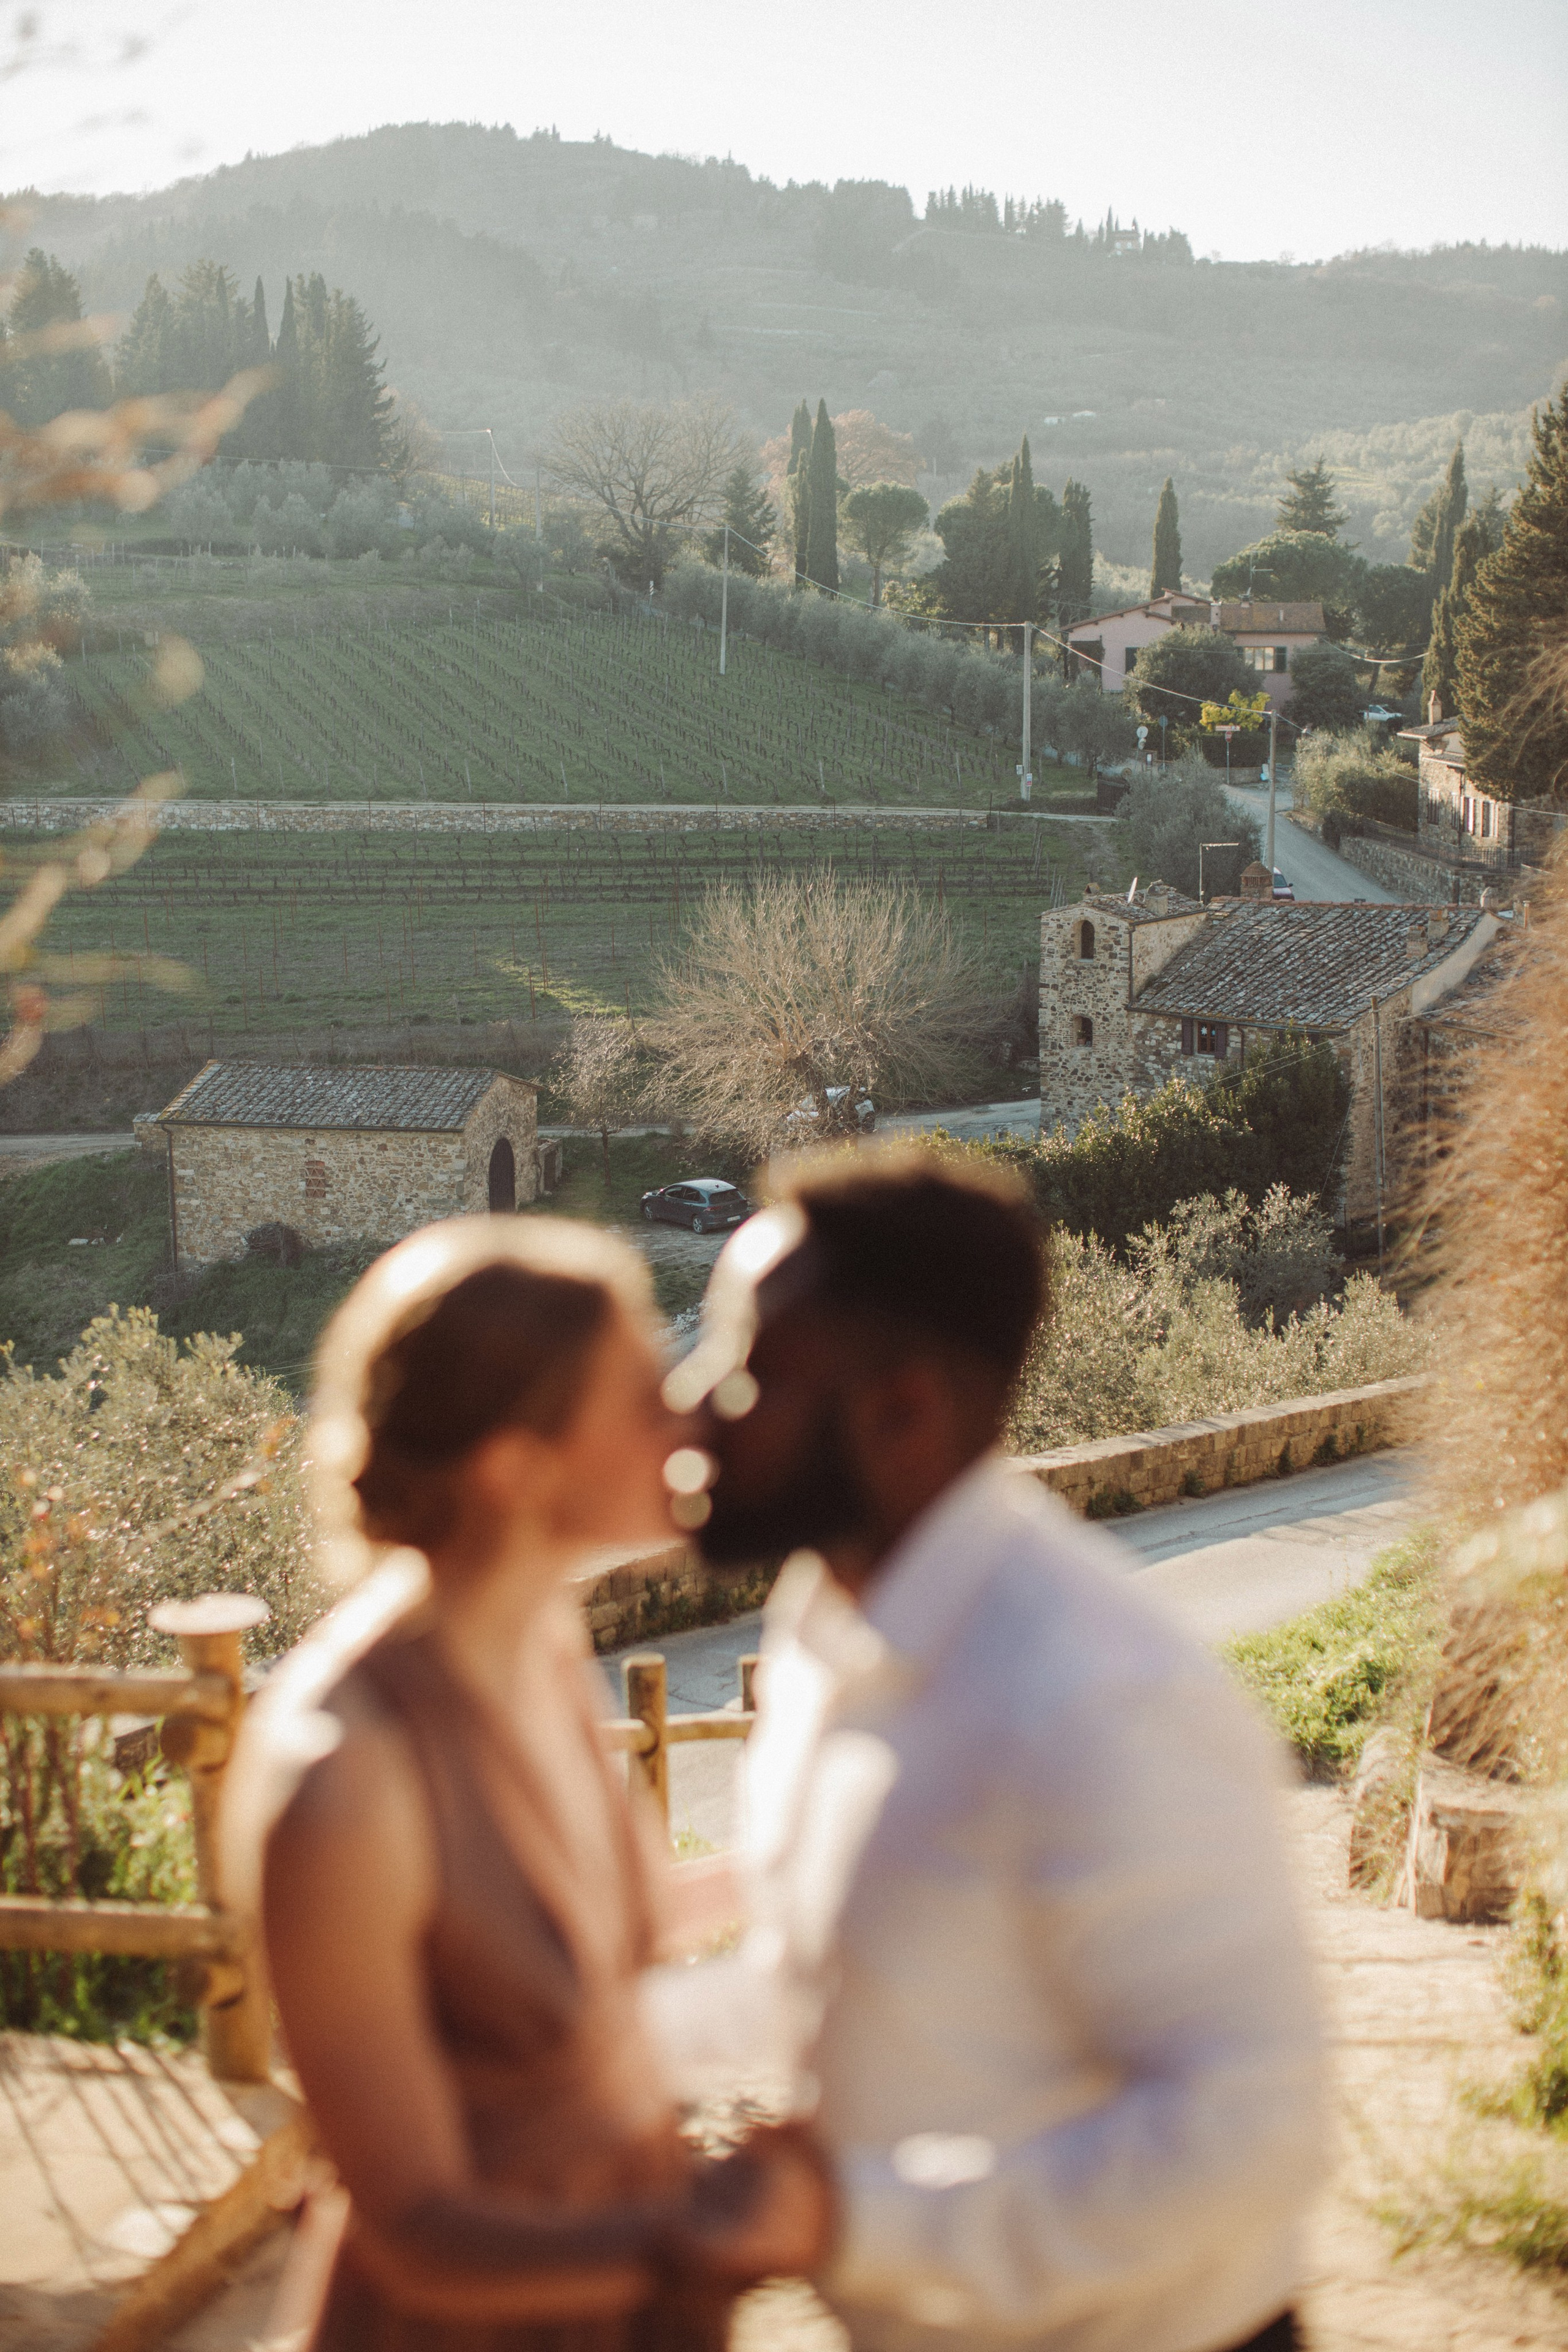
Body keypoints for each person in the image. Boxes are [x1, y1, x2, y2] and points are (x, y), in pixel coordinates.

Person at [662, 1152, 1326, 2352]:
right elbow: (845, 1981)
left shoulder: (1097, 1702)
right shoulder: (823, 1626)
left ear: (902, 1411)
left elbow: (1251, 2132)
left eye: (746, 1371)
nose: (690, 1406)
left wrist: (853, 2224)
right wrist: (574, 2058)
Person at [225, 1215, 831, 2352]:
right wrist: (714, 2237)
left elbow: (628, 1931)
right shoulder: (343, 1775)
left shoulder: (540, 1643)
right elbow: (415, 2229)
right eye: (647, 1396)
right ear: (517, 1468)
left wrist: (858, 1856)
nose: (694, 1414)